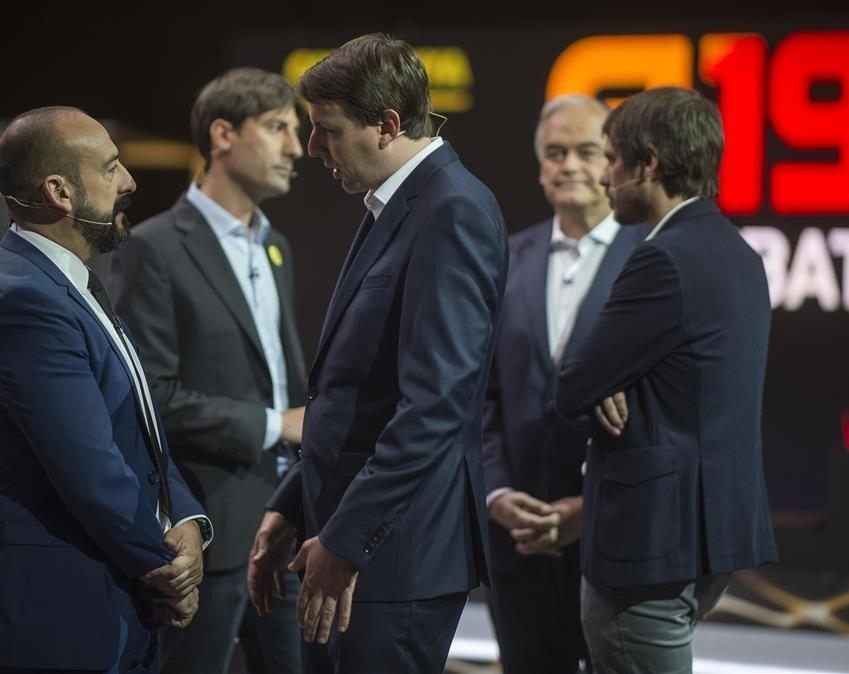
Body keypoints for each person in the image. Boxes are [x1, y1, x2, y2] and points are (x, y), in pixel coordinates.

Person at [247, 33, 508, 673]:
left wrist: (344, 538)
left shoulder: (453, 211)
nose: (312, 149)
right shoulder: (396, 205)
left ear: (388, 124)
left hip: (390, 557)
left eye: (327, 131)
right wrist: (292, 502)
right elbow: (356, 397)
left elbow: (434, 407)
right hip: (350, 541)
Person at [0, 106, 211, 674]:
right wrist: (168, 572)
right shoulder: (22, 301)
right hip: (52, 618)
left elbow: (139, 431)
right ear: (60, 191)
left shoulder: (67, 283)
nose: (129, 183)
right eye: (111, 166)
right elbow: (89, 467)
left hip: (107, 608)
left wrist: (186, 521)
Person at [555, 87, 779, 673]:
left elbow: (574, 382)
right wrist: (615, 379)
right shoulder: (738, 252)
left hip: (650, 544)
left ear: (648, 162)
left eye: (610, 159)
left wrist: (607, 381)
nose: (604, 178)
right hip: (710, 535)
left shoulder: (663, 258)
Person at [110, 68, 306, 674]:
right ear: (223, 134)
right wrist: (279, 425)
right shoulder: (155, 247)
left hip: (284, 527)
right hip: (211, 534)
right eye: (278, 128)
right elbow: (154, 399)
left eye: (296, 131)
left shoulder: (276, 247)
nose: (296, 149)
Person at [481, 94, 646, 674]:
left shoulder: (651, 257)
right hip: (515, 534)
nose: (569, 164)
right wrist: (497, 496)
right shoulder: (504, 259)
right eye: (555, 153)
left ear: (612, 162)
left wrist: (589, 507)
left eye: (584, 151)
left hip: (614, 532)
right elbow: (483, 398)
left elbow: (662, 407)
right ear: (540, 167)